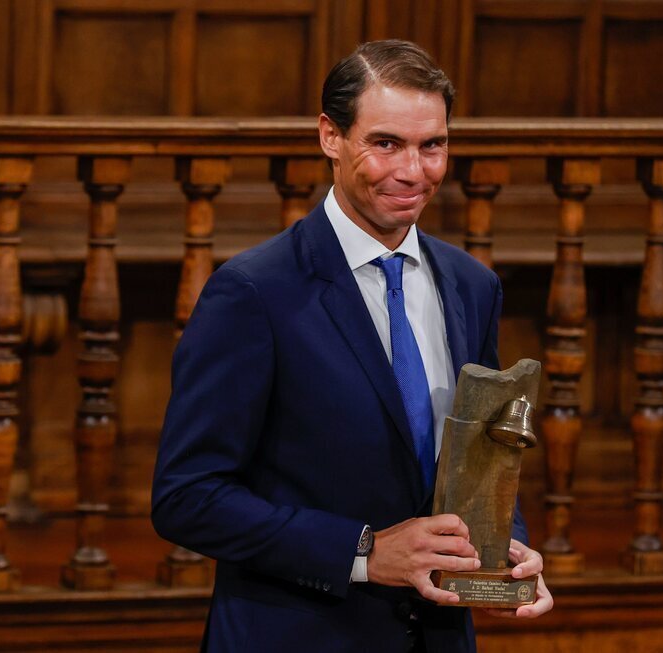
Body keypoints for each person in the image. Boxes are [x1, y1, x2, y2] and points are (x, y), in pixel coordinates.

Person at [152, 39, 552, 653]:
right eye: (386, 143)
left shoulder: (472, 286)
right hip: (296, 634)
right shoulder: (253, 292)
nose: (413, 172)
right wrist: (363, 552)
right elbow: (187, 497)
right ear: (330, 137)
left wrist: (504, 549)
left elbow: (485, 456)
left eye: (433, 146)